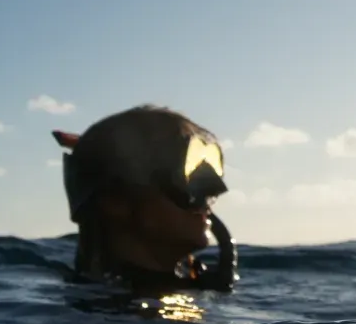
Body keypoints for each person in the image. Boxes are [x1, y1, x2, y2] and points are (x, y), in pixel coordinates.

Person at [51, 105, 238, 292]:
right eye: (186, 174)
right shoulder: (114, 312)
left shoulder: (193, 285)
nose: (215, 189)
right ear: (116, 200)